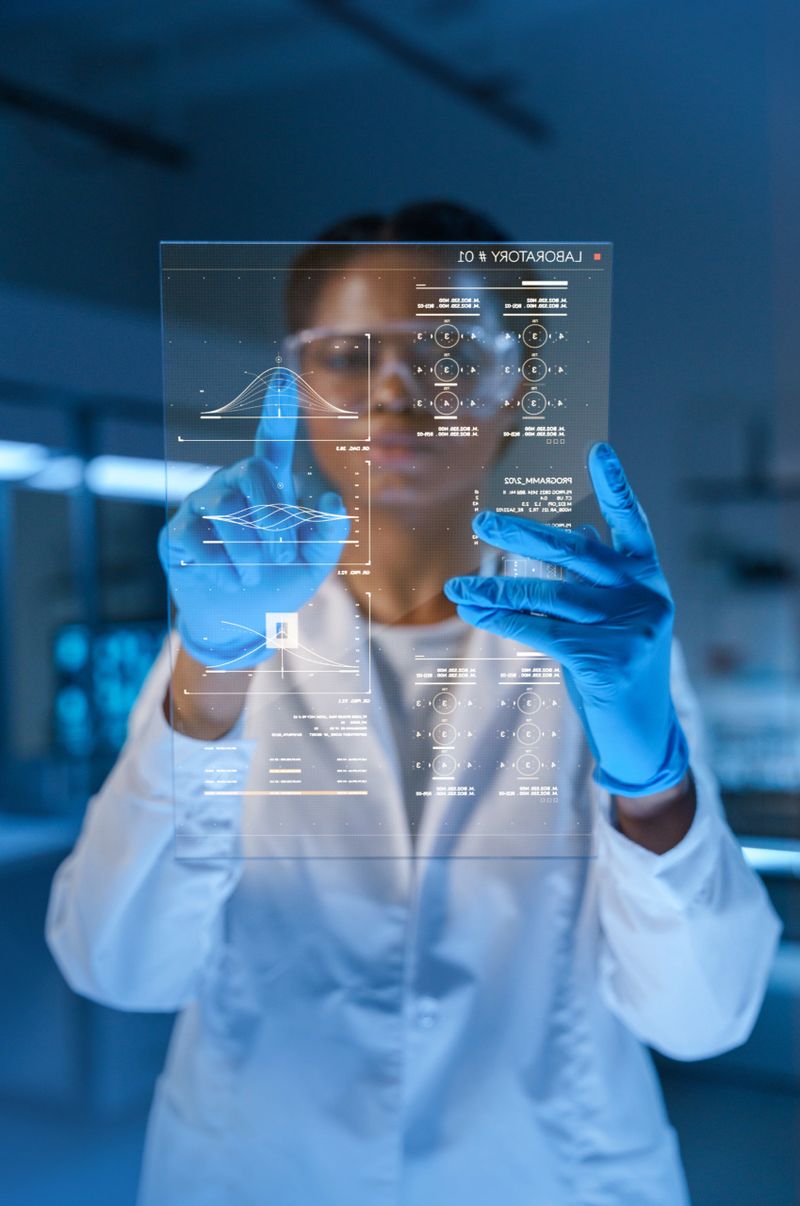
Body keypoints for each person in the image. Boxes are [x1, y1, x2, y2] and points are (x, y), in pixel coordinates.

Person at [46, 201, 780, 1206]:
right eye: (346, 355)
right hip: (260, 1169)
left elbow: (702, 1019)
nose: (394, 392)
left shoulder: (596, 638)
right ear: (297, 387)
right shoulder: (227, 631)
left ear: (513, 385)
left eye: (443, 350)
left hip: (543, 1173)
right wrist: (212, 665)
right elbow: (117, 965)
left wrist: (649, 779)